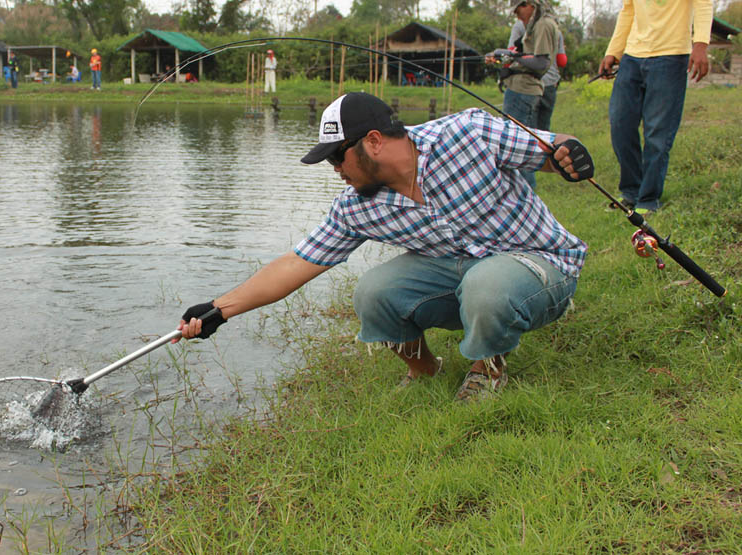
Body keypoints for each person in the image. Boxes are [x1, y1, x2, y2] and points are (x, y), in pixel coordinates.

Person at [178, 92, 594, 402]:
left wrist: (568, 154)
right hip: (463, 271)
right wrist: (219, 309)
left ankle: (488, 367)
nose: (336, 170)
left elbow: (553, 147)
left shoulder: (468, 133)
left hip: (542, 264)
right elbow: (294, 263)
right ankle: (425, 371)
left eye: (337, 158)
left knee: (489, 285)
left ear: (373, 141)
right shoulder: (356, 206)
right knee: (372, 292)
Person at [597, 0, 712, 215]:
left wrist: (700, 43)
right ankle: (630, 192)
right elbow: (628, 10)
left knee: (658, 133)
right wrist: (613, 51)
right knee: (621, 126)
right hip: (634, 56)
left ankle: (648, 199)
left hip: (670, 55)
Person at [489, 0, 560, 189]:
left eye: (518, 11)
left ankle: (526, 196)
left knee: (518, 148)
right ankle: (520, 194)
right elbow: (525, 55)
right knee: (515, 145)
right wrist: (505, 59)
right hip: (518, 88)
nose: (517, 16)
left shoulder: (544, 25)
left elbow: (541, 63)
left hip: (524, 91)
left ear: (528, 5)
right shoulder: (533, 25)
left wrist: (512, 59)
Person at [508, 18, 567, 132]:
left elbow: (511, 52)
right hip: (550, 83)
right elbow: (562, 61)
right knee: (544, 132)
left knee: (527, 131)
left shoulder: (519, 26)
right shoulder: (554, 29)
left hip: (528, 84)